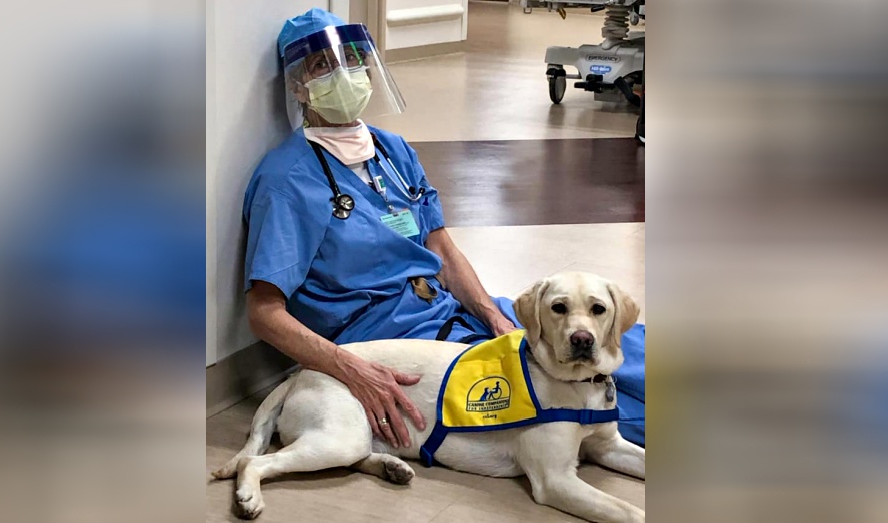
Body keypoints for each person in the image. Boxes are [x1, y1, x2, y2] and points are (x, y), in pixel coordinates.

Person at [242, 8, 645, 451]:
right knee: (585, 396)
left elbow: (441, 248)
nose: (346, 72)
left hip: (447, 309)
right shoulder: (287, 182)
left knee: (619, 344)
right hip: (390, 335)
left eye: (354, 59)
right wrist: (348, 367)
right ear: (298, 85)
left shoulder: (390, 150)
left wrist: (493, 314)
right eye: (324, 65)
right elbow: (265, 312)